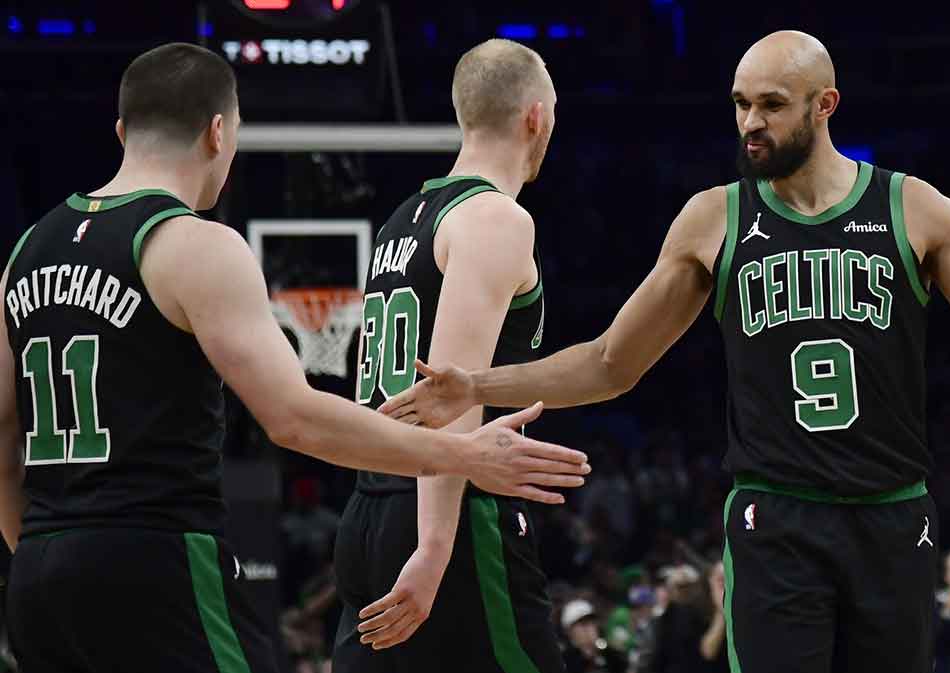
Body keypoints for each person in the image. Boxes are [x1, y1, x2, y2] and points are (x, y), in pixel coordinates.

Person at [385, 29, 950, 673]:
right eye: (740, 104)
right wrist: (476, 382)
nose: (750, 123)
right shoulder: (713, 218)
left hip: (892, 515)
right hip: (775, 520)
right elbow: (608, 363)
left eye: (771, 104)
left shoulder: (913, 210)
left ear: (825, 104)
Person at [0, 43, 589, 673]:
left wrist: (39, 550)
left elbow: (4, 430)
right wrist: (458, 476)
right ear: (219, 131)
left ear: (121, 131)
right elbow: (322, 413)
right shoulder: (191, 243)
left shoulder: (26, 249)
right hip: (171, 552)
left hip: (43, 567)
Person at [333, 39, 570, 672]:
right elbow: (448, 394)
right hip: (451, 512)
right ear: (536, 117)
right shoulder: (495, 218)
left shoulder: (402, 221)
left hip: (368, 508)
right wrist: (435, 545)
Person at [562, 599, 629, 673]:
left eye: (592, 622)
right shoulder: (564, 660)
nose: (589, 628)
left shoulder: (610, 654)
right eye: (583, 624)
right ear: (569, 631)